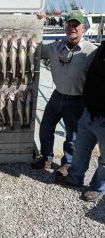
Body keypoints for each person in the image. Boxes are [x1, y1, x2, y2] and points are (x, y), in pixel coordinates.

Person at [31, 12, 97, 174]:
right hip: (57, 95)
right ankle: (46, 157)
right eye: (69, 24)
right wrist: (36, 21)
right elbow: (34, 48)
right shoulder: (55, 47)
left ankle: (66, 164)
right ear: (65, 27)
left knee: (72, 136)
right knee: (45, 127)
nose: (72, 28)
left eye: (76, 25)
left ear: (83, 28)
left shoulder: (91, 51)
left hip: (77, 100)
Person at [55, 41, 105, 202]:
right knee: (80, 149)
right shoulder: (101, 49)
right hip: (88, 112)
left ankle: (98, 188)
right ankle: (75, 178)